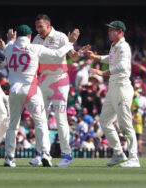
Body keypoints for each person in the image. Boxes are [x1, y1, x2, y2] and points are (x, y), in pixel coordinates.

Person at [0, 24, 74, 167]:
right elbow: (56, 54)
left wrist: (10, 40)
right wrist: (70, 43)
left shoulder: (10, 48)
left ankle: (9, 158)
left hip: (14, 90)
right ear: (30, 36)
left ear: (17, 36)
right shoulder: (34, 48)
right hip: (31, 89)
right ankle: (45, 154)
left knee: (13, 125)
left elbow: (8, 47)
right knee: (41, 122)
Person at [30, 14, 84, 167]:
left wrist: (79, 51)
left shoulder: (60, 37)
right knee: (40, 118)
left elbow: (74, 57)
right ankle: (40, 154)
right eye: (37, 27)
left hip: (59, 80)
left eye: (41, 27)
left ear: (49, 25)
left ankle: (66, 155)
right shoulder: (36, 39)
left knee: (60, 118)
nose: (38, 30)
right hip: (43, 81)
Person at [85, 20, 140, 167]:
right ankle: (118, 153)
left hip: (122, 88)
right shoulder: (114, 46)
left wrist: (102, 72)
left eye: (112, 30)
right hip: (113, 88)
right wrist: (95, 57)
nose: (109, 32)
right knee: (104, 121)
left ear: (120, 32)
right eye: (109, 30)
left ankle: (134, 158)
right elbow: (110, 59)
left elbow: (122, 66)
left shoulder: (124, 46)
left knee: (125, 125)